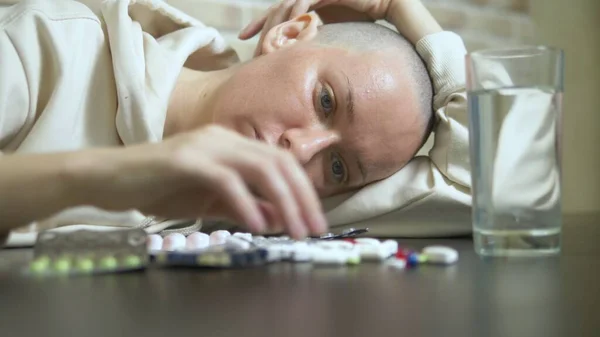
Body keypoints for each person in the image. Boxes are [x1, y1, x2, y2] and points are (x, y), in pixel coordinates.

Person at [0, 0, 470, 246]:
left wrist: (401, 6)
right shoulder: (48, 45)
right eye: (325, 101)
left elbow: (486, 189)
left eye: (339, 168)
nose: (301, 150)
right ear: (287, 36)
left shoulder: (272, 205)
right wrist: (110, 177)